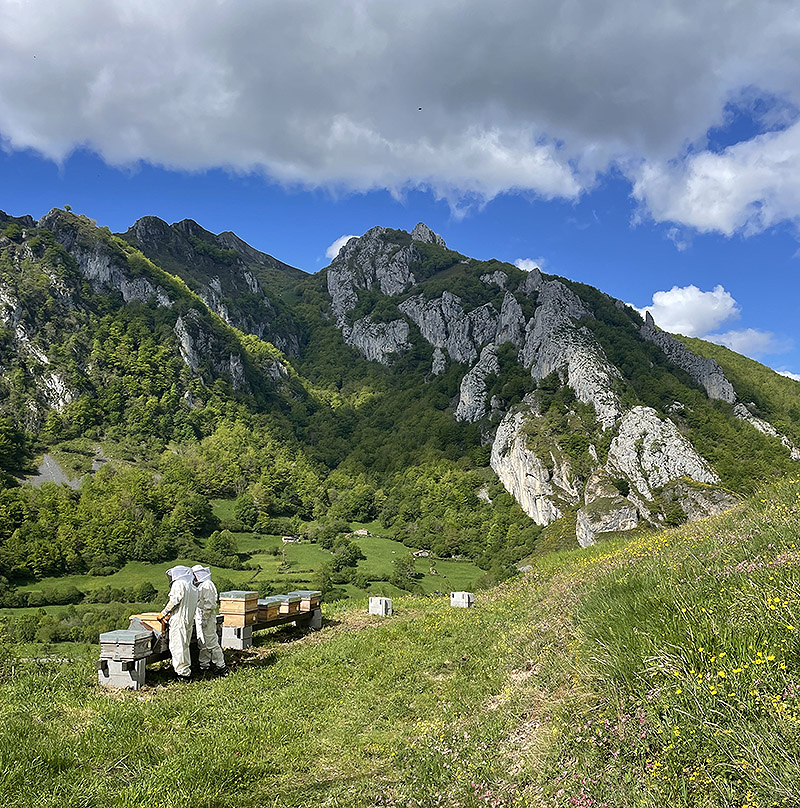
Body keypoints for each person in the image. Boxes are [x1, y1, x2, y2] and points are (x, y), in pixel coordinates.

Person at [157, 565, 198, 681]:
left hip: (179, 621)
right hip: (188, 620)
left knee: (177, 646)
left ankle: (182, 674)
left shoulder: (179, 584)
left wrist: (163, 613)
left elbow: (174, 601)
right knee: (184, 646)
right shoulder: (192, 587)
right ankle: (185, 670)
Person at [192, 564, 228, 676]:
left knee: (211, 642)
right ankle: (204, 666)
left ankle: (221, 667)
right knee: (202, 643)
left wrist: (206, 617)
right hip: (200, 617)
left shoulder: (208, 585)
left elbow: (210, 603)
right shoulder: (201, 586)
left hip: (207, 617)